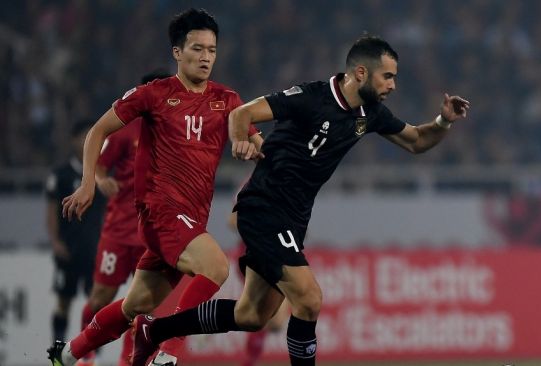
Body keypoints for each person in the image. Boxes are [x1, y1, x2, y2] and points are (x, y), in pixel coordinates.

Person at [130, 35, 470, 366]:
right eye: (388, 76)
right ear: (361, 73)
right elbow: (240, 115)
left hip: (293, 218)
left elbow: (417, 141)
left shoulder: (372, 113)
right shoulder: (310, 96)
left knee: (251, 315)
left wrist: (443, 121)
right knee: (309, 299)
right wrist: (239, 142)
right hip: (264, 206)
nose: (393, 85)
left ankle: (154, 330)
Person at [47, 8, 262, 366]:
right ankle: (168, 353)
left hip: (192, 220)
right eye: (197, 48)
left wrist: (248, 145)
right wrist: (89, 183)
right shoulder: (154, 94)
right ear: (177, 52)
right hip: (160, 212)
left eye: (212, 49)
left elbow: (255, 142)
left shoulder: (227, 100)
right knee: (217, 268)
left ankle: (68, 354)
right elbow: (98, 131)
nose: (206, 57)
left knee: (136, 305)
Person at [76, 70, 171, 366]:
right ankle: (85, 354)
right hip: (118, 229)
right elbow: (101, 165)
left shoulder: (175, 130)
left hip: (152, 232)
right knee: (102, 295)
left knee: (140, 303)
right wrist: (100, 180)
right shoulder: (125, 129)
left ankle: (127, 360)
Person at [45, 120, 105, 344]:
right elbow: (51, 211)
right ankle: (57, 351)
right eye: (84, 136)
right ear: (74, 140)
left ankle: (90, 353)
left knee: (96, 302)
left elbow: (111, 209)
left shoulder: (103, 172)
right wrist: (55, 242)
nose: (87, 140)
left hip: (95, 249)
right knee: (63, 301)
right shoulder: (61, 174)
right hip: (69, 249)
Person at [227, 186, 291, 366]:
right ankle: (207, 322)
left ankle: (209, 322)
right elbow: (232, 221)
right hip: (253, 256)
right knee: (264, 316)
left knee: (270, 321)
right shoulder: (250, 185)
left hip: (278, 254)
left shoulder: (287, 178)